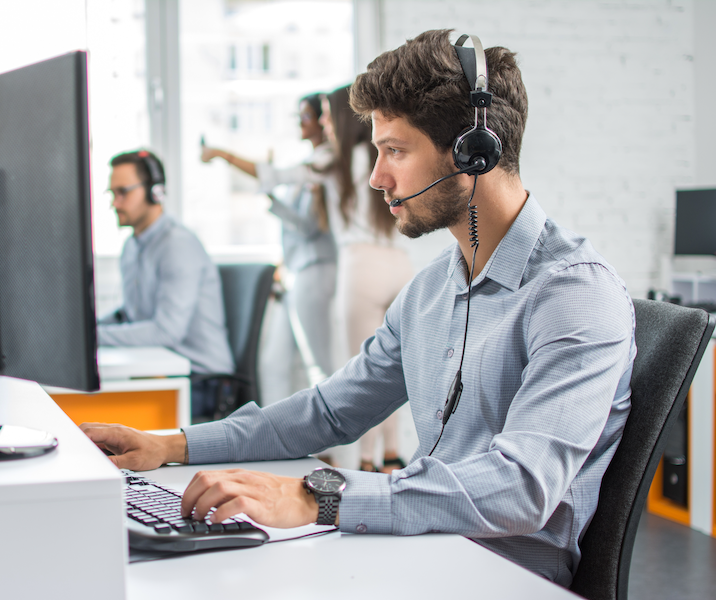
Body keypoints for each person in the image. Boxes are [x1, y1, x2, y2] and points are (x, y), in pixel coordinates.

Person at [81, 31, 636, 587]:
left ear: (473, 151)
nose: (376, 178)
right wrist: (170, 445)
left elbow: (521, 489)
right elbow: (328, 413)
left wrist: (317, 496)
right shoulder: (429, 292)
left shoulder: (574, 294)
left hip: (497, 579)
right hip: (420, 553)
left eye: (395, 150)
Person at [201, 94, 336, 399]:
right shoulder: (309, 167)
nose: (299, 123)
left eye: (306, 116)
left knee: (319, 364)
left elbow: (309, 226)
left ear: (323, 121)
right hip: (295, 272)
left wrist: (270, 197)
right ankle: (276, 442)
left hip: (315, 268)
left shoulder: (324, 165)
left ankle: (336, 447)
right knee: (272, 363)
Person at [97, 149, 234, 418]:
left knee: (110, 422)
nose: (115, 203)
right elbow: (130, 314)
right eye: (112, 194)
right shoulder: (132, 247)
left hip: (203, 382)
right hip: (161, 371)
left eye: (123, 192)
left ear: (155, 192)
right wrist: (87, 329)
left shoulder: (177, 245)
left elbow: (166, 332)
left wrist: (93, 338)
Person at [321, 84, 414, 473]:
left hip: (361, 266)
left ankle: (363, 463)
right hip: (400, 263)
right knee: (393, 371)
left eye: (327, 114)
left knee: (360, 372)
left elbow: (272, 173)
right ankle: (392, 454)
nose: (324, 122)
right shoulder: (386, 157)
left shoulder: (332, 160)